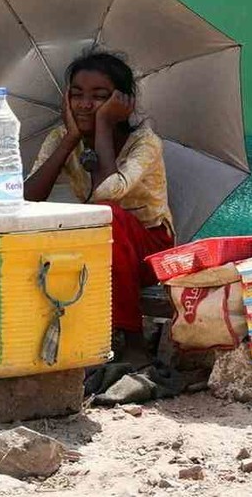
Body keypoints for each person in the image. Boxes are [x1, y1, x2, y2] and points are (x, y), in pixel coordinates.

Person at [24, 51, 174, 339]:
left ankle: (125, 336)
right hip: (98, 241)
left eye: (100, 96)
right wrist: (70, 139)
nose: (85, 104)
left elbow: (108, 192)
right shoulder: (62, 136)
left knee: (107, 215)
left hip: (150, 249)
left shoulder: (145, 142)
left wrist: (104, 124)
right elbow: (27, 200)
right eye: (76, 94)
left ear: (122, 104)